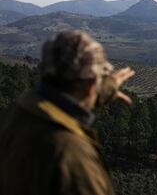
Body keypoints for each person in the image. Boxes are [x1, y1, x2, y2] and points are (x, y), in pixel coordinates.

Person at [0, 31, 135, 195]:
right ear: (90, 87)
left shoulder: (20, 109)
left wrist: (100, 89)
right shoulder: (73, 154)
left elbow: (64, 99)